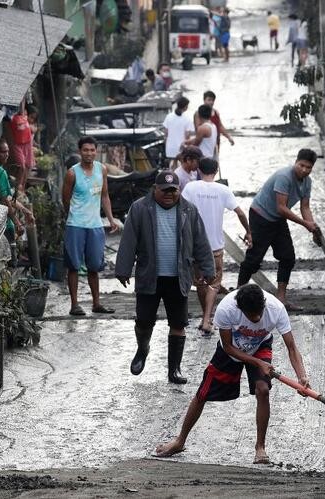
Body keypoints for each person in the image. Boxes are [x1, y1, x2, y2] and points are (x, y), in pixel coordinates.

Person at [155, 284, 310, 464]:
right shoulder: (227, 308)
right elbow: (228, 347)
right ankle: (180, 441)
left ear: (264, 304)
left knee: (263, 390)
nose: (257, 318)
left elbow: (292, 347)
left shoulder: (276, 308)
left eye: (259, 314)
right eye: (251, 316)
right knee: (203, 393)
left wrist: (302, 376)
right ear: (240, 309)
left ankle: (260, 448)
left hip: (260, 346)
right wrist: (258, 363)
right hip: (231, 350)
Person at [115, 171, 215, 384]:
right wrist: (123, 269)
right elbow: (129, 240)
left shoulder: (189, 209)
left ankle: (174, 369)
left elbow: (200, 241)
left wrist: (207, 269)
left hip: (178, 276)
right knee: (143, 320)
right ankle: (142, 349)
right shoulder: (140, 208)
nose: (169, 194)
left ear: (179, 190)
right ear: (155, 189)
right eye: (165, 190)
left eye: (174, 190)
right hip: (149, 274)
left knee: (178, 323)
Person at [237, 149, 319, 311]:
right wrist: (305, 224)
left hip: (278, 219)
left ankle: (281, 298)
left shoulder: (307, 182)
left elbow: (305, 207)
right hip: (261, 215)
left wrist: (313, 227)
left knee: (288, 257)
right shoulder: (284, 177)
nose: (304, 170)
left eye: (308, 167)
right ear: (296, 162)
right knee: (253, 260)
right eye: (301, 165)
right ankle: (238, 297)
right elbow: (281, 208)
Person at [181, 158, 252, 334]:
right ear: (216, 170)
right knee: (214, 282)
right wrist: (248, 231)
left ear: (199, 169)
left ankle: (204, 317)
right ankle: (207, 319)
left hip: (195, 245)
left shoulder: (191, 188)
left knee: (200, 283)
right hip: (215, 246)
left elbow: (179, 210)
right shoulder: (223, 190)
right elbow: (240, 213)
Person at [62, 136, 119, 316]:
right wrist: (72, 215)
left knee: (95, 265)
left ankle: (96, 303)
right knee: (74, 265)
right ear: (80, 152)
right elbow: (65, 199)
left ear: (96, 151)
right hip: (76, 225)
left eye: (92, 150)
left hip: (95, 225)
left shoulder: (102, 170)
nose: (89, 153)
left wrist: (110, 219)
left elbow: (105, 196)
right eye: (85, 150)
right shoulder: (72, 173)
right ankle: (74, 305)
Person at [0, 138, 35, 244]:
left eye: (7, 151)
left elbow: (7, 197)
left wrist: (26, 211)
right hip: (2, 224)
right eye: (3, 152)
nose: (7, 155)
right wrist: (17, 223)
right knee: (9, 258)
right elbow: (5, 201)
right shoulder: (0, 172)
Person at [9, 101, 36, 193]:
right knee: (22, 166)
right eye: (24, 112)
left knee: (28, 166)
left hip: (27, 144)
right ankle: (18, 187)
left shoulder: (25, 119)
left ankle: (22, 188)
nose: (25, 113)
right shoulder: (14, 118)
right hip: (18, 145)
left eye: (26, 112)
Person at [201, 90, 235, 161]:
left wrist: (228, 137)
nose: (211, 102)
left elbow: (220, 126)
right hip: (205, 143)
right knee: (204, 166)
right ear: (204, 100)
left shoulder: (216, 112)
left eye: (213, 100)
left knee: (214, 165)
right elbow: (197, 129)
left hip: (216, 142)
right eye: (209, 100)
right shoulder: (199, 113)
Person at [163, 97, 195, 167]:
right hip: (181, 148)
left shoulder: (168, 116)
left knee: (172, 166)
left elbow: (166, 134)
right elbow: (187, 135)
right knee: (181, 166)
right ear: (185, 107)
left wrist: (166, 144)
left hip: (170, 148)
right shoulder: (187, 119)